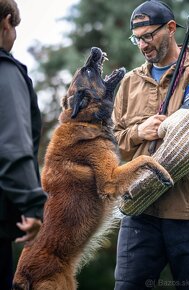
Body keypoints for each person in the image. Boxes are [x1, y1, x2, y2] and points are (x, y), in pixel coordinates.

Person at [113, 1, 189, 289]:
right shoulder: (128, 83)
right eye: (137, 38)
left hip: (188, 213)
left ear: (171, 28)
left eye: (149, 35)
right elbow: (112, 144)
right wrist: (138, 132)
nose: (143, 45)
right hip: (139, 211)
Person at [0, 0, 47, 289]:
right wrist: (32, 205)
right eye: (14, 28)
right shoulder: (6, 71)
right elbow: (12, 145)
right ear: (6, 22)